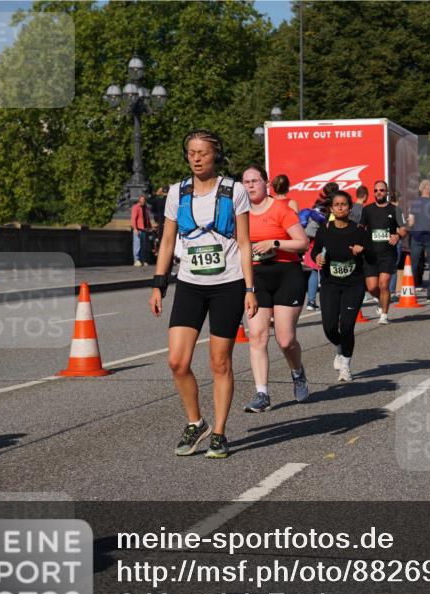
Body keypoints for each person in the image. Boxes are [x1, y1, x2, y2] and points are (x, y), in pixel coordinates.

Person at [150, 129, 256, 459]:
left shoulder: (234, 190)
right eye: (192, 152)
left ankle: (220, 433)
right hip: (190, 284)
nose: (196, 158)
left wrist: (250, 289)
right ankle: (196, 423)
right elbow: (168, 241)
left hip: (228, 284)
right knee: (177, 361)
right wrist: (158, 283)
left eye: (203, 153)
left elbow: (244, 242)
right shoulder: (177, 193)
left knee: (219, 361)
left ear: (215, 156)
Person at [241, 165, 311, 413]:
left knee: (285, 339)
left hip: (286, 274)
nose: (250, 186)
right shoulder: (240, 213)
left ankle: (297, 372)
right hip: (257, 276)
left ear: (266, 183)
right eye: (246, 182)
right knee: (257, 334)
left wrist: (276, 242)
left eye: (255, 181)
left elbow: (302, 243)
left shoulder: (281, 209)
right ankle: (262, 393)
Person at [313, 191, 376, 381]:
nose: (340, 207)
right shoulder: (324, 229)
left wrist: (362, 249)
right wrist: (318, 257)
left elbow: (372, 258)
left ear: (350, 208)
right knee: (330, 327)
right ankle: (339, 346)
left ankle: (346, 366)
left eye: (344, 204)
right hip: (330, 283)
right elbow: (316, 250)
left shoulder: (358, 231)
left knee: (347, 325)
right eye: (337, 204)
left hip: (353, 284)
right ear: (331, 208)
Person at [361, 180, 406, 324]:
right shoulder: (367, 210)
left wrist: (398, 235)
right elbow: (360, 228)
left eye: (381, 190)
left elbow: (404, 228)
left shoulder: (395, 210)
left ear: (386, 192)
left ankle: (384, 316)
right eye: (375, 190)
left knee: (384, 284)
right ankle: (380, 300)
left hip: (387, 253)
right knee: (372, 287)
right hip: (370, 254)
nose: (378, 192)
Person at [407, 179, 430, 301]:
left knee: (414, 264)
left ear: (420, 189)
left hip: (417, 236)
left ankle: (410, 290)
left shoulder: (414, 203)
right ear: (429, 188)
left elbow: (411, 222)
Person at [131, 194, 151, 266]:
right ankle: (136, 260)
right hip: (138, 229)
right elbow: (133, 219)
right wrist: (135, 228)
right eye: (142, 200)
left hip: (144, 229)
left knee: (143, 246)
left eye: (144, 200)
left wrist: (150, 227)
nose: (143, 201)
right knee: (137, 245)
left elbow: (147, 218)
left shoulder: (145, 208)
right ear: (139, 200)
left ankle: (143, 260)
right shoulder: (136, 207)